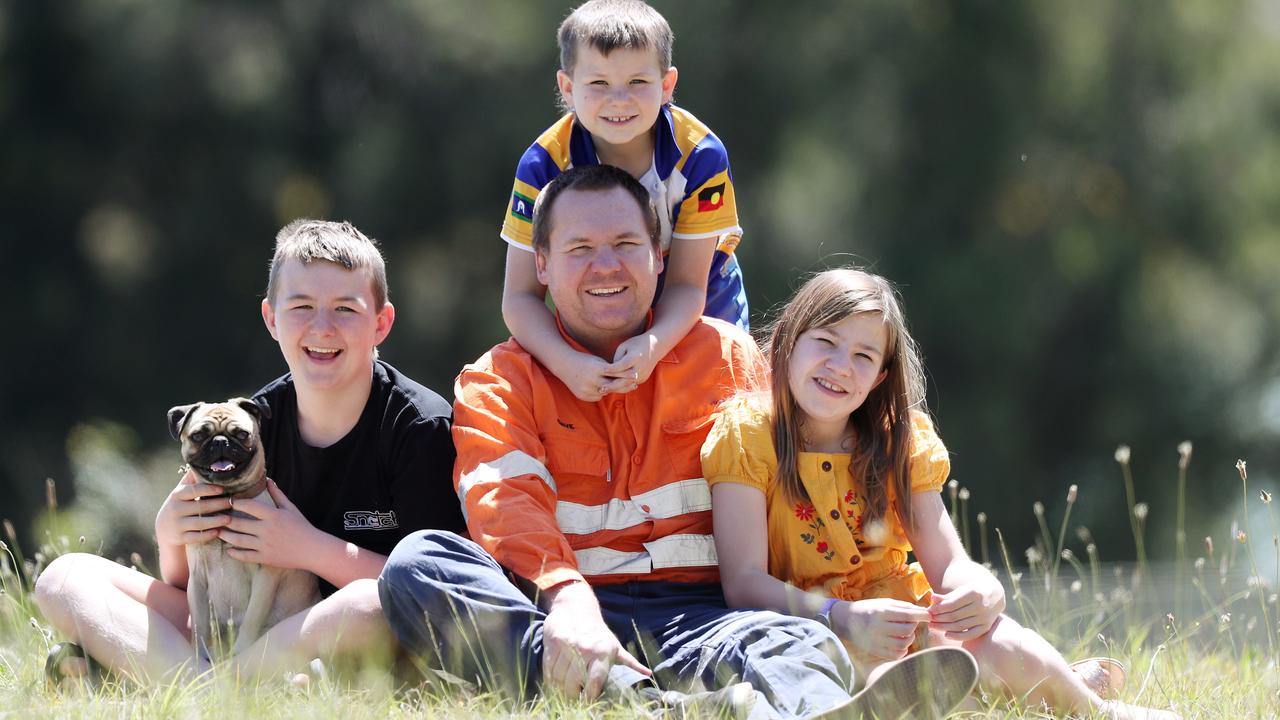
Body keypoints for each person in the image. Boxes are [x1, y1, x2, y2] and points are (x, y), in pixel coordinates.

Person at [378, 166, 978, 720]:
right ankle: (647, 705)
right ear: (541, 263)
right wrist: (567, 600)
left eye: (625, 246)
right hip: (562, 614)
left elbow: (830, 452)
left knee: (799, 640)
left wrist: (926, 589)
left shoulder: (730, 358)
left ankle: (819, 711)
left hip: (705, 614)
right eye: (580, 249)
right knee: (417, 564)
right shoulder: (499, 380)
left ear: (659, 255)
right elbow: (502, 504)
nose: (605, 266)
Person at [702, 268, 1181, 720]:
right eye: (825, 341)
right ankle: (1044, 689)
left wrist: (980, 587)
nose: (840, 367)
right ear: (787, 342)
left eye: (864, 356)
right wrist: (841, 615)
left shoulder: (897, 441)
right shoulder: (747, 435)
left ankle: (1093, 710)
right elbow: (742, 582)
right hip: (810, 629)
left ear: (881, 378)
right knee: (894, 685)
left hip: (903, 615)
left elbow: (947, 562)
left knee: (1001, 643)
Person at [35, 219, 465, 684]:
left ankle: (167, 679)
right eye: (301, 306)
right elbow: (191, 582)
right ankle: (207, 690)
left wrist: (308, 548)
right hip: (244, 628)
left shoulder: (418, 426)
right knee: (62, 577)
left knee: (369, 603)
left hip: (347, 632)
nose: (322, 327)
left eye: (345, 308)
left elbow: (432, 592)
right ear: (271, 319)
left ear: (381, 323)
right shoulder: (249, 426)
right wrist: (171, 532)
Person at [501, 0, 750, 405]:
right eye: (598, 84)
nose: (619, 100)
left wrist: (652, 343)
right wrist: (565, 362)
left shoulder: (701, 155)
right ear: (567, 87)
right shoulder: (543, 164)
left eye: (638, 82)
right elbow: (520, 297)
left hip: (701, 296)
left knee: (724, 418)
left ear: (667, 85)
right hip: (595, 305)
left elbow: (689, 284)